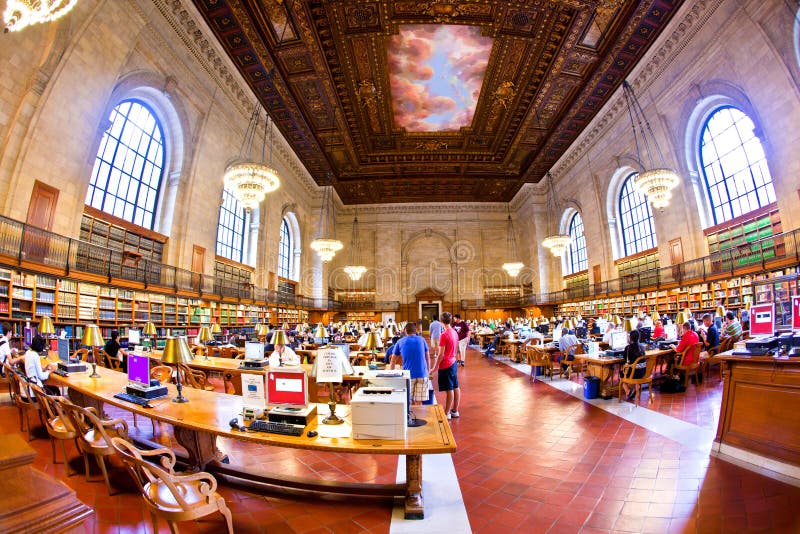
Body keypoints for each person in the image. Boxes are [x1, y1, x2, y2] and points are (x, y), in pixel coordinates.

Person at [389, 322, 431, 405]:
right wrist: (428, 371)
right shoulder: (422, 339)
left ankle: (411, 417)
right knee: (419, 401)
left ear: (405, 331)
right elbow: (427, 357)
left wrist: (392, 372)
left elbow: (393, 360)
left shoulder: (400, 341)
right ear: (415, 331)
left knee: (409, 400)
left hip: (408, 375)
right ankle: (419, 417)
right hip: (422, 374)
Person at [432, 312, 460, 419]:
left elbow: (441, 354)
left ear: (441, 321)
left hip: (446, 364)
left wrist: (434, 367)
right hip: (453, 362)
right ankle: (455, 410)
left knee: (449, 389)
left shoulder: (444, 335)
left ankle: (447, 412)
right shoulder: (454, 332)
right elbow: (456, 348)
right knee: (456, 386)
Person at [621, 329, 647, 400]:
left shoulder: (628, 347)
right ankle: (636, 386)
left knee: (621, 375)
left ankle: (627, 390)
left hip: (633, 373)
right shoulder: (642, 347)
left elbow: (624, 359)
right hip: (642, 372)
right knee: (634, 369)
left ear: (630, 338)